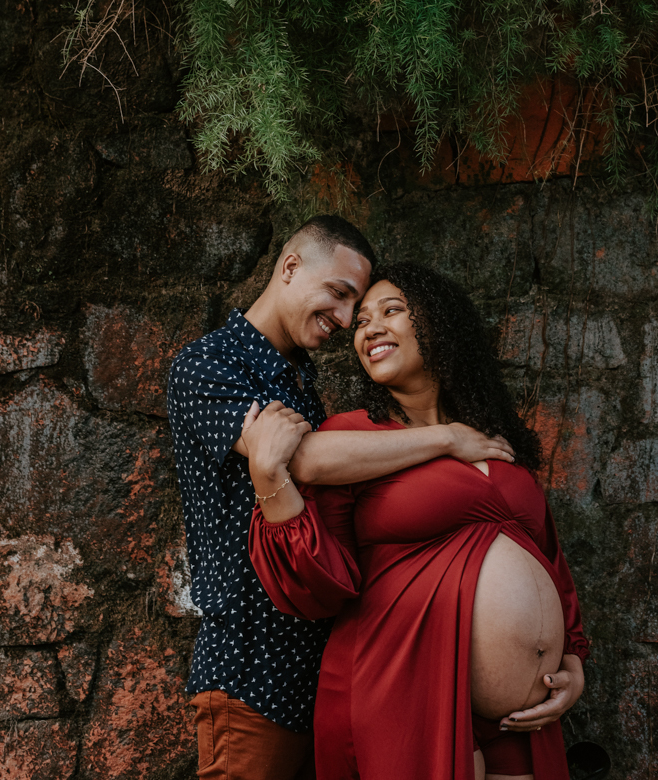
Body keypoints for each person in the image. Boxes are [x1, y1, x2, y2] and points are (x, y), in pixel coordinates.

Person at [167, 218, 515, 780]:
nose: (347, 318)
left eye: (356, 304)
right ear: (290, 267)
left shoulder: (300, 378)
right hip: (254, 670)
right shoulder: (208, 365)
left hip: (325, 672)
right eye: (340, 293)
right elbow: (298, 460)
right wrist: (448, 438)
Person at [245, 262, 588, 780]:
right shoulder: (355, 436)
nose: (370, 328)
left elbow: (551, 564)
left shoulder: (493, 438)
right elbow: (320, 577)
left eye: (392, 311)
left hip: (522, 716)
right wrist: (446, 438)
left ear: (438, 325)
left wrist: (573, 665)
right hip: (402, 677)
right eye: (360, 321)